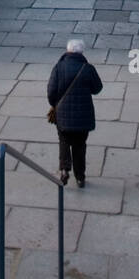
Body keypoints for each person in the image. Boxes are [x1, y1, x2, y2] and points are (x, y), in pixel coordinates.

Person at [47, 38, 103, 188]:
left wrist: (55, 105)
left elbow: (51, 91)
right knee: (80, 146)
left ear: (68, 51)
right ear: (81, 52)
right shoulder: (88, 68)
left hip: (64, 116)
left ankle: (64, 169)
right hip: (83, 117)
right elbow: (97, 88)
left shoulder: (59, 67)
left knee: (64, 141)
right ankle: (80, 177)